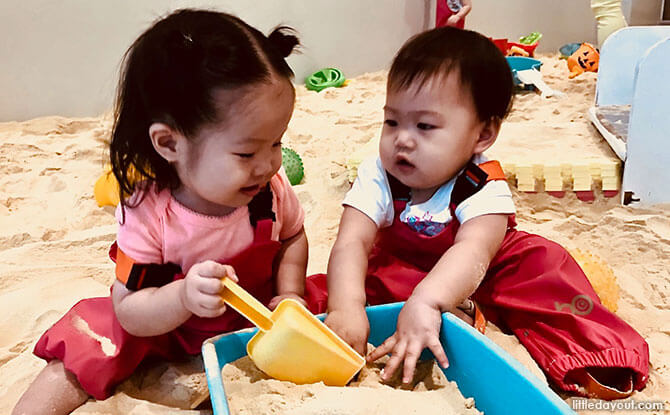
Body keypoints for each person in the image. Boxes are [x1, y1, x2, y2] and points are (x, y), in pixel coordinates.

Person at [306, 27, 649, 399]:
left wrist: (429, 301)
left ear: (482, 136)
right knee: (329, 289)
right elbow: (352, 241)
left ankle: (590, 354)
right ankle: (456, 313)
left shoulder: (482, 182)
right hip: (405, 268)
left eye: (424, 126)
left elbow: (473, 252)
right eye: (392, 122)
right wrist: (346, 308)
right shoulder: (379, 174)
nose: (402, 139)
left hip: (487, 272)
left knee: (546, 265)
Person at [13, 9, 307, 415]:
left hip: (255, 316)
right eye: (246, 152)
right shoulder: (149, 212)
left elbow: (292, 236)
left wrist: (289, 292)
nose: (268, 164)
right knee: (90, 342)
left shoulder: (267, 192)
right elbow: (131, 310)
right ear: (169, 144)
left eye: (276, 143)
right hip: (167, 327)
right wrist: (183, 296)